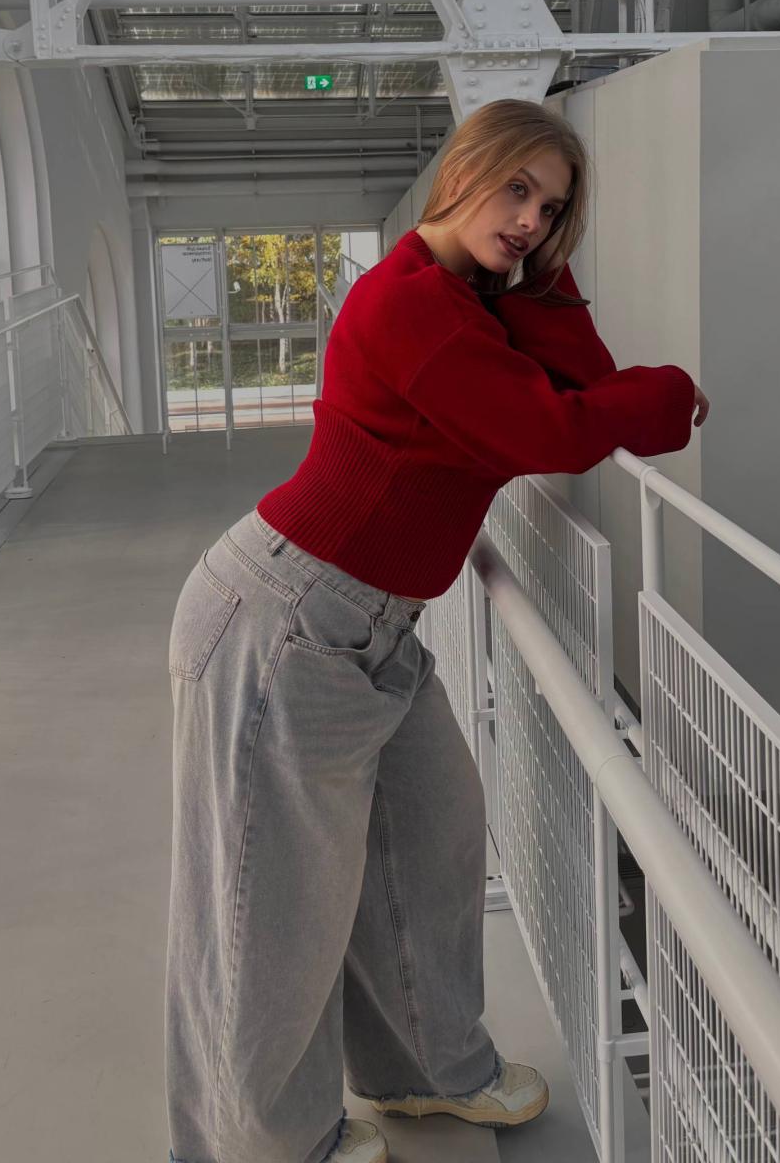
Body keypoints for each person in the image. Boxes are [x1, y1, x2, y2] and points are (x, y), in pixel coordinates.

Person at [164, 97, 710, 1163]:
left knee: (431, 839)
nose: (529, 219)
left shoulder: (472, 298)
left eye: (550, 208)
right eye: (516, 189)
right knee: (270, 913)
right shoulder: (411, 303)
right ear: (464, 171)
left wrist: (540, 277)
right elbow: (551, 428)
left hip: (368, 628)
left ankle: (423, 1073)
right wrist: (677, 394)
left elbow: (582, 378)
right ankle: (262, 1148)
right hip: (288, 622)